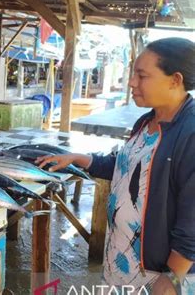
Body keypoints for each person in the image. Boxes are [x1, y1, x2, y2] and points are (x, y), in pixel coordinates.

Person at [37, 38, 194, 294]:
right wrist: (78, 158)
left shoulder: (190, 134)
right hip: (121, 258)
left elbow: (192, 219)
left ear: (175, 80)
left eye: (142, 75)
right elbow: (126, 168)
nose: (132, 82)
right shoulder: (146, 122)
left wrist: (173, 277)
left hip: (157, 273)